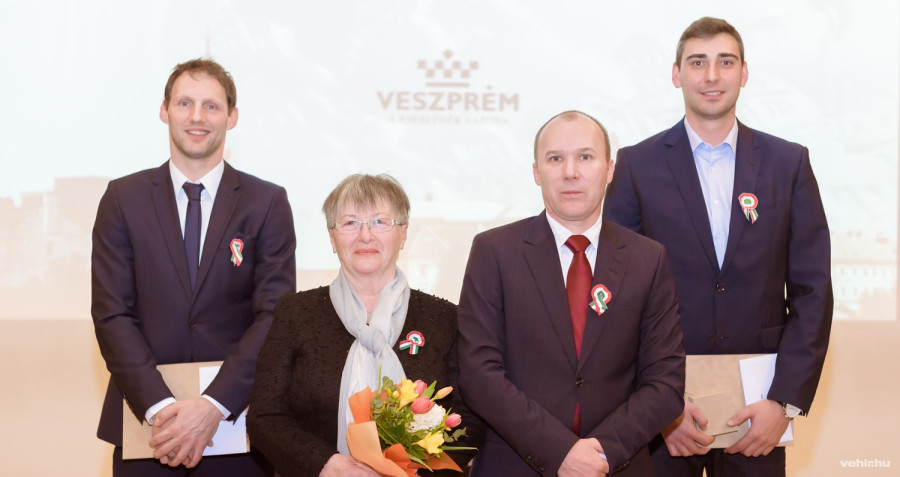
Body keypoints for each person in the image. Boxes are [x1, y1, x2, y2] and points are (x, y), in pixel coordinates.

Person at [603, 17, 833, 477]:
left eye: (725, 62)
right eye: (697, 63)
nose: (711, 76)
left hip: (760, 415)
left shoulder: (788, 163)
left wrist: (784, 403)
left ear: (744, 73)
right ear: (676, 74)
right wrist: (655, 409)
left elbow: (813, 292)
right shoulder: (635, 165)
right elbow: (617, 297)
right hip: (665, 418)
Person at [91, 58, 296, 476]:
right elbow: (112, 314)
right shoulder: (122, 199)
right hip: (148, 429)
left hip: (237, 429)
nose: (197, 117)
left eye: (211, 106)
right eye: (185, 103)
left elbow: (274, 315)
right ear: (164, 110)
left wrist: (212, 406)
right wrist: (162, 408)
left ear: (232, 117)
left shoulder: (266, 202)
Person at [457, 110, 686, 476]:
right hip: (516, 465)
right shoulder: (494, 252)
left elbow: (665, 384)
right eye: (555, 159)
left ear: (609, 169)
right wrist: (559, 452)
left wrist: (601, 452)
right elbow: (479, 374)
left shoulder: (648, 259)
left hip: (617, 465)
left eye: (585, 157)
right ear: (536, 172)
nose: (570, 172)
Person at [248, 174, 481, 477]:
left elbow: (470, 420)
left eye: (380, 222)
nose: (365, 235)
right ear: (332, 238)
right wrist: (326, 464)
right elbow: (265, 417)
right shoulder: (295, 314)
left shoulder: (444, 318)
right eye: (350, 223)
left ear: (403, 234)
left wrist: (411, 473)